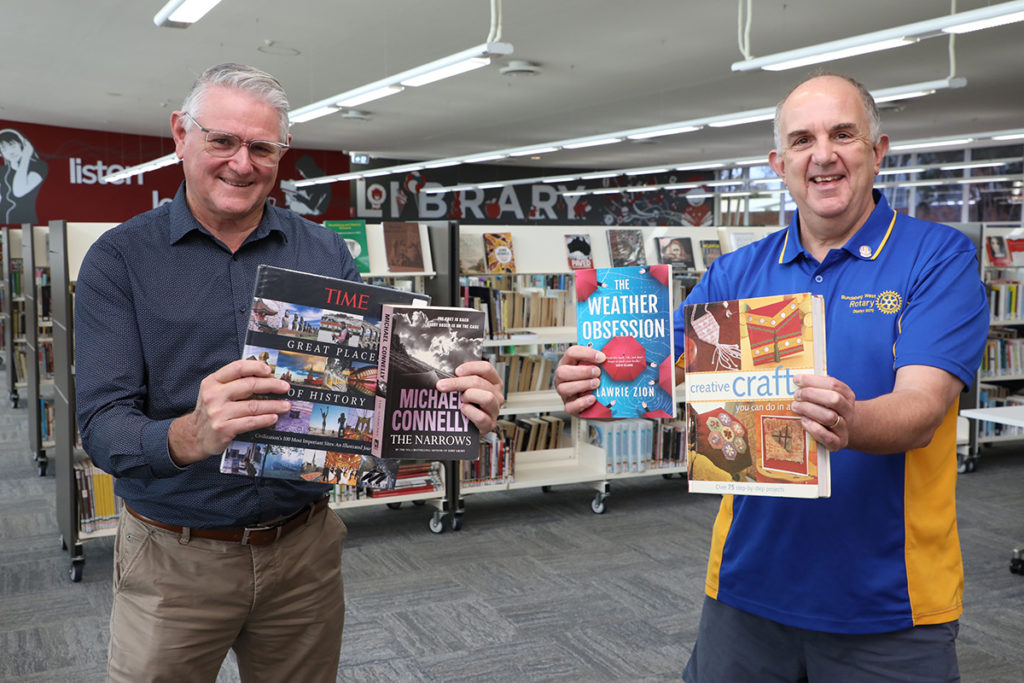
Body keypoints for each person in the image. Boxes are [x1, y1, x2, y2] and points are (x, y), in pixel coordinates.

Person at [74, 63, 504, 682]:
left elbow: (374, 399)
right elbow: (101, 427)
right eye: (222, 140)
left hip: (303, 551)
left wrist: (458, 410)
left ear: (282, 153)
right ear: (180, 135)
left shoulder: (326, 252)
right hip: (174, 557)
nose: (241, 163)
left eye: (262, 147)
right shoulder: (118, 261)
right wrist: (188, 435)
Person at [554, 71, 988, 682]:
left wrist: (850, 418)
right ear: (779, 162)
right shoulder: (735, 274)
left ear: (878, 151)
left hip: (890, 604)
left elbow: (922, 408)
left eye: (843, 134)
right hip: (745, 590)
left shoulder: (937, 259)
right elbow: (663, 375)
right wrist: (595, 378)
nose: (823, 155)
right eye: (803, 140)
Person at [0, 127, 48, 223]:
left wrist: (26, 156)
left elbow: (19, 191)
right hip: (4, 225)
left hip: (27, 224)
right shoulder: (3, 170)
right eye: (4, 149)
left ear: (22, 145)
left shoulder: (38, 166)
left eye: (12, 145)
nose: (10, 152)